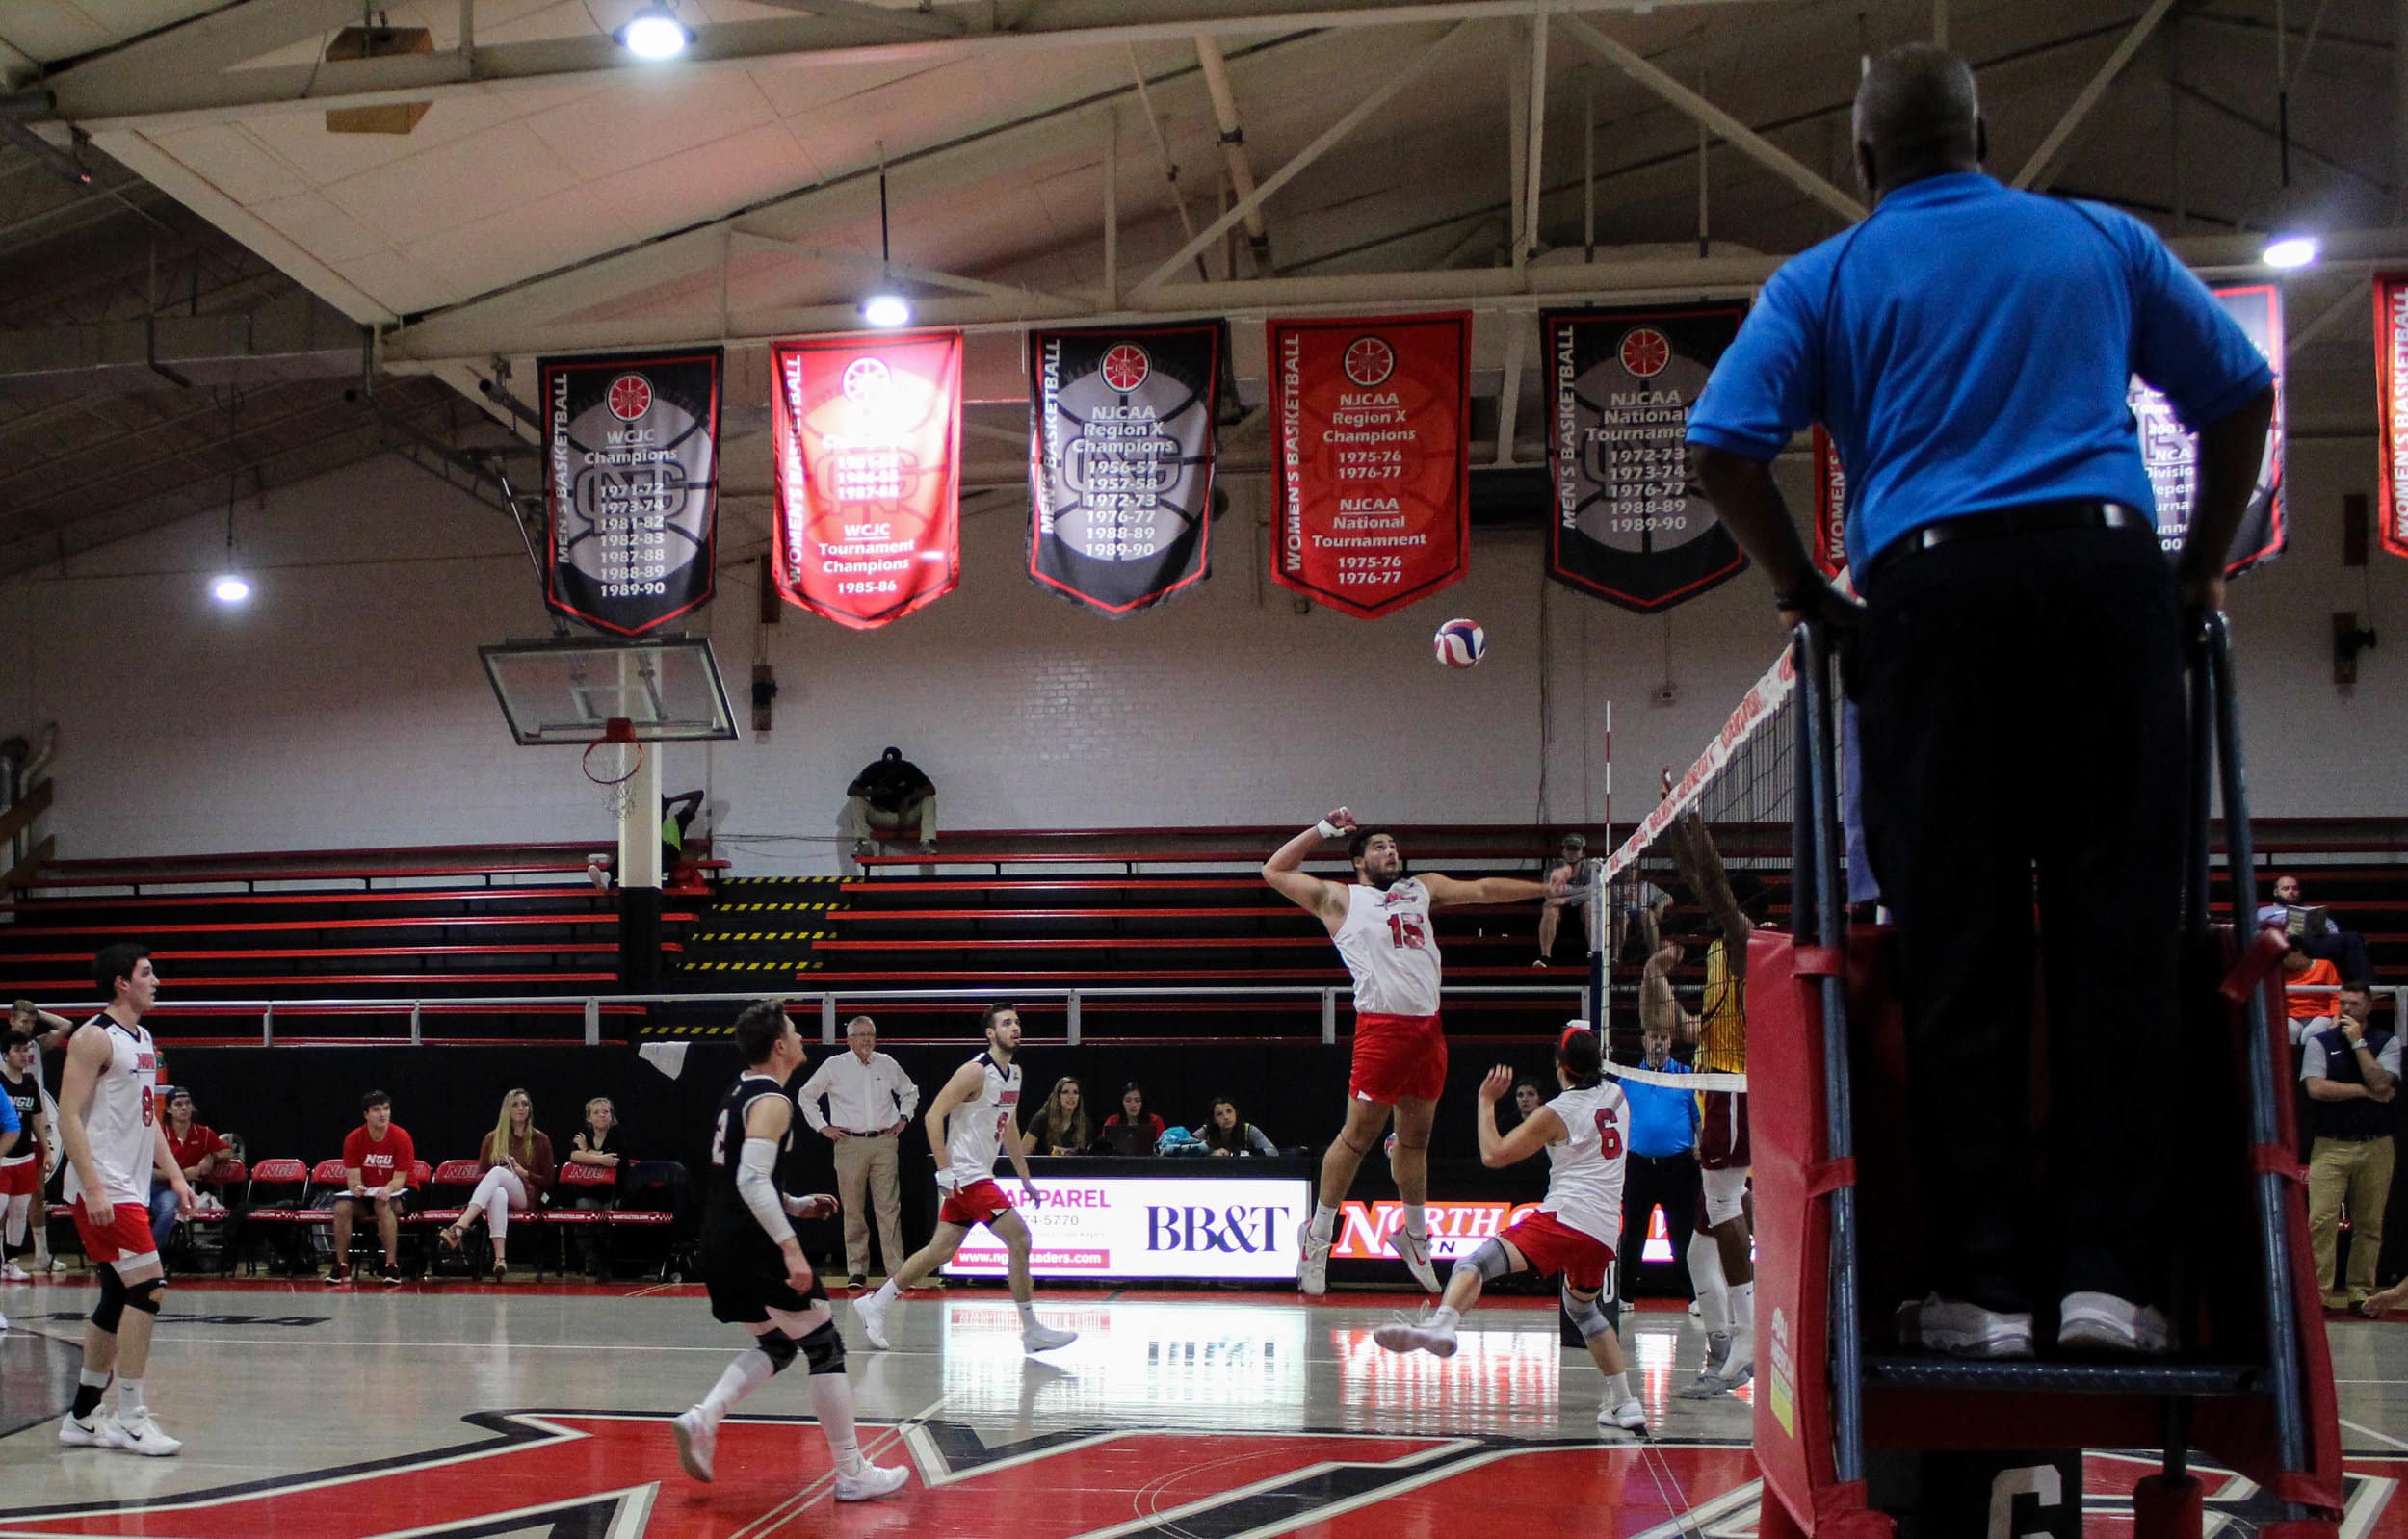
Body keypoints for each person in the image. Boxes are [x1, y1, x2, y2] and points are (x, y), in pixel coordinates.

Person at [1687, 42, 2276, 1359]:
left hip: (1931, 602)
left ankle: (1993, 1290)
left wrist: (1801, 588)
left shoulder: (1826, 275)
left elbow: (1721, 444)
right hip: (2107, 579)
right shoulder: (2096, 238)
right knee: (2120, 934)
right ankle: (2112, 1284)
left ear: (1861, 161)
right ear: (1985, 134)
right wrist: (2197, 574)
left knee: (1963, 955)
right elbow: (2241, 391)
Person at [1263, 811, 1568, 1294]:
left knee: (1414, 1140)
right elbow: (1273, 871)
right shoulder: (1340, 898)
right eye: (1379, 846)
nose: (1391, 852)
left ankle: (1414, 1234)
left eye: (1393, 846)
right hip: (1381, 1030)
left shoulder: (1421, 888)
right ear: (1359, 859)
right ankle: (1318, 1235)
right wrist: (1323, 829)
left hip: (1428, 1030)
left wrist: (1543, 889)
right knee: (1357, 1137)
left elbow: (1484, 889)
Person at [668, 1000, 908, 1500]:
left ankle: (702, 1417)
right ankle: (851, 1471)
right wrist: (791, 1248)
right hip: (754, 1245)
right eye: (796, 1031)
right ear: (779, 1045)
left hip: (720, 1242)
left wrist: (795, 1205)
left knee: (778, 1344)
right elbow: (751, 1179)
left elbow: (744, 1178)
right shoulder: (774, 1101)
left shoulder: (739, 1092)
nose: (802, 1038)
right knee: (825, 1347)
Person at [1373, 1030, 1646, 1435]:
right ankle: (1626, 1402)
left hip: (1566, 1219)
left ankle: (1445, 1323)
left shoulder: (1557, 1112)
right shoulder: (1618, 1097)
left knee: (1474, 1263)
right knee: (1584, 1311)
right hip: (1606, 1231)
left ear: (1559, 1067)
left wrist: (1485, 1102)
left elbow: (1493, 1154)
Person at [855, 1004, 1077, 1356]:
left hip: (976, 1175)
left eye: (1017, 1022)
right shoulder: (975, 1072)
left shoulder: (1014, 1074)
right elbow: (932, 1116)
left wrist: (1025, 1177)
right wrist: (943, 1169)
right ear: (990, 1033)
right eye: (1007, 1023)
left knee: (938, 1251)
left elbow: (1011, 1127)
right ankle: (1031, 1329)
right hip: (967, 1176)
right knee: (1020, 1239)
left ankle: (876, 1303)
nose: (1015, 1028)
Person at [55, 942, 193, 1454]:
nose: (155, 982)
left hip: (131, 1185)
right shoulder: (93, 1038)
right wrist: (91, 1186)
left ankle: (84, 1415)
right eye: (147, 973)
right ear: (121, 982)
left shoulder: (145, 1038)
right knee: (149, 1287)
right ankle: (132, 1413)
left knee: (117, 1294)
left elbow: (147, 1115)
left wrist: (176, 1178)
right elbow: (68, 1114)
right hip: (104, 1184)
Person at [1656, 814, 1761, 1399]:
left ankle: (1746, 1337)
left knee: (1724, 1203)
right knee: (1699, 1244)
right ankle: (1722, 1341)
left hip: (1736, 1087)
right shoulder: (1722, 947)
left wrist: (1698, 832)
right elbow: (1700, 880)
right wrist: (1676, 825)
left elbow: (1712, 884)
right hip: (1715, 1086)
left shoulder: (1748, 941)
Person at [795, 1015, 919, 1289]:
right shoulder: (834, 1066)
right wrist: (822, 1127)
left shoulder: (887, 1064)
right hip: (849, 1144)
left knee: (889, 1208)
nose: (866, 1040)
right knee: (853, 1209)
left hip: (884, 1141)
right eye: (860, 1035)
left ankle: (896, 1272)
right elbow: (806, 1095)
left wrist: (904, 1118)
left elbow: (910, 1092)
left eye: (870, 1034)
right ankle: (857, 1270)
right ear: (848, 1039)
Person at [2303, 985, 2398, 1312]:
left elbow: (2382, 1083)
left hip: (2376, 1145)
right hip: (2330, 1145)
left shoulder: (2387, 1042)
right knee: (2320, 1220)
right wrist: (2362, 1090)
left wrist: (2358, 1044)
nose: (2346, 1008)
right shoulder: (2319, 1041)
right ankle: (2318, 1294)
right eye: (2342, 1002)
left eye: (2354, 1003)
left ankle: (2360, 1293)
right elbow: (2316, 1088)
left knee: (2369, 1222)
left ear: (2369, 1007)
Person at [1615, 1005, 1702, 1300]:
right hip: (1639, 1167)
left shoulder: (1687, 1077)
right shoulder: (1627, 1079)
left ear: (1671, 1042)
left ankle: (1693, 1297)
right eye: (1653, 1036)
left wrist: (1702, 1147)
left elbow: (1699, 1121)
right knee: (1633, 1234)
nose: (1658, 1042)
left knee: (1683, 1234)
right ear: (1644, 1041)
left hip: (1678, 1168)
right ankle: (1625, 1297)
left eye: (1664, 1037)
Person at [439, 1089, 556, 1284]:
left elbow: (549, 1180)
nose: (521, 1108)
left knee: (498, 1173)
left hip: (528, 1195)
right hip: (499, 1194)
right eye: (516, 1104)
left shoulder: (540, 1139)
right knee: (498, 1192)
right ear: (506, 1110)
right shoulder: (492, 1138)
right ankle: (500, 1259)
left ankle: (460, 1226)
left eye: (525, 1104)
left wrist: (523, 1172)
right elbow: (482, 1173)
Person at [329, 1090, 416, 1286]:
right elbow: (352, 1179)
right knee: (341, 1206)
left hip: (400, 1191)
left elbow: (400, 1179)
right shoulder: (353, 1139)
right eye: (377, 1110)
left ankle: (391, 1265)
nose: (383, 1114)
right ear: (366, 1114)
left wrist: (387, 1188)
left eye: (386, 1109)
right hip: (369, 1193)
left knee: (382, 1204)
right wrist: (357, 1187)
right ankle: (342, 1265)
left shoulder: (401, 1137)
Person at [8, 1000, 68, 1274]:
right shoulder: (3, 1049)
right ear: (11, 1020)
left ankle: (42, 1254)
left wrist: (37, 1012)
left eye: (32, 1022)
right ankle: (7, 1259)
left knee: (36, 1192)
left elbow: (66, 1026)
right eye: (23, 1021)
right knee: (4, 1197)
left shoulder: (37, 1046)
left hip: (33, 1123)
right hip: (7, 1127)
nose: (28, 1026)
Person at [150, 1086, 227, 1256]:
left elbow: (228, 1151)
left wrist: (211, 1156)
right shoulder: (158, 1133)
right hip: (155, 1186)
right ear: (169, 1109)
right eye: (178, 1104)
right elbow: (149, 1173)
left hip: (177, 1190)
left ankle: (151, 1256)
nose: (184, 1108)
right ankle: (145, 1256)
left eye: (187, 1103)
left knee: (168, 1211)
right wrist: (183, 1174)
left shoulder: (203, 1133)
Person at [2262, 874, 2375, 987]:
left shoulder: (2311, 911)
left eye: (2295, 888)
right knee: (2294, 937)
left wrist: (2322, 930)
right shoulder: (2264, 912)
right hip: (2287, 945)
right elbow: (2258, 933)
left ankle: (2367, 987)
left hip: (2313, 943)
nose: (2291, 892)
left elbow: (2333, 931)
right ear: (2276, 892)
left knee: (2353, 937)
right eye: (2286, 888)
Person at [3, 1030, 51, 1281]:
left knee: (19, 1214)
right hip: (2, 1158)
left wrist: (46, 1150)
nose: (24, 1055)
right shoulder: (0, 1082)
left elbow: (36, 1118)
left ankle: (11, 1262)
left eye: (26, 1050)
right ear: (5, 1055)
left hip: (24, 1157)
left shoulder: (31, 1083)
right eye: (18, 1050)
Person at [565, 1097, 626, 1278]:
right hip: (589, 1191)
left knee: (610, 1220)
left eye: (605, 1112)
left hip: (614, 1192)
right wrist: (599, 1158)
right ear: (589, 1118)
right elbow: (574, 1156)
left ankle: (607, 1261)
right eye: (596, 1112)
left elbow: (613, 1159)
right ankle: (589, 1256)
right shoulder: (584, 1133)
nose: (601, 1115)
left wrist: (587, 1152)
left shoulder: (617, 1133)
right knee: (583, 1210)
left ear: (612, 1116)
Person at [846, 746, 937, 859]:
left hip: (905, 816)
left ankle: (926, 843)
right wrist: (872, 792)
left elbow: (931, 789)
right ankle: (864, 844)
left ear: (900, 763)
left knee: (929, 799)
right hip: (881, 816)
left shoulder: (909, 769)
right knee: (855, 799)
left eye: (893, 768)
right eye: (887, 767)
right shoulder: (874, 769)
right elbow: (850, 790)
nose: (890, 771)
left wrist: (908, 799)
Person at [1533, 832, 1589, 966]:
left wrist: (1565, 898)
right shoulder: (1553, 868)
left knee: (1591, 906)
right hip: (1559, 910)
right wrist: (1581, 892)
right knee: (1549, 907)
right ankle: (1545, 956)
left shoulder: (1590, 868)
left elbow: (1594, 892)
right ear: (1562, 851)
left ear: (1583, 853)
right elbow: (1550, 893)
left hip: (1581, 908)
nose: (1571, 853)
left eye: (1576, 849)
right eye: (1568, 849)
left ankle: (1593, 954)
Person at [2283, 937, 2343, 1045]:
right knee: (2287, 1031)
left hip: (2321, 1014)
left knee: (2311, 1033)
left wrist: (2336, 1017)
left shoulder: (2325, 966)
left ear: (2298, 951)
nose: (2284, 961)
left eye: (2286, 956)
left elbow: (2337, 995)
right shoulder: (2280, 972)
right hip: (2292, 1015)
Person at [1021, 1076, 1093, 1157]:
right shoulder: (1041, 1120)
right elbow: (1023, 1153)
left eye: (1075, 1092)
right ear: (1057, 1096)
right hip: (1044, 1168)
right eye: (1065, 1092)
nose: (1071, 1096)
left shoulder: (1085, 1123)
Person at [1199, 1097, 1278, 1158]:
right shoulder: (1206, 1130)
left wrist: (1241, 1153)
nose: (1226, 1117)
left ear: (1236, 1113)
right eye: (1220, 1114)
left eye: (1229, 1111)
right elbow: (1187, 1150)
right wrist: (1210, 1154)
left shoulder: (1249, 1130)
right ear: (1214, 1119)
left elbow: (1273, 1152)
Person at [1101, 1083, 1166, 1151]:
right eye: (1128, 1101)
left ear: (1143, 1102)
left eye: (1137, 1100)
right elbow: (1104, 1147)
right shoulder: (1112, 1121)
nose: (1133, 1105)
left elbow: (1162, 1146)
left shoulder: (1155, 1120)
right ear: (1122, 1102)